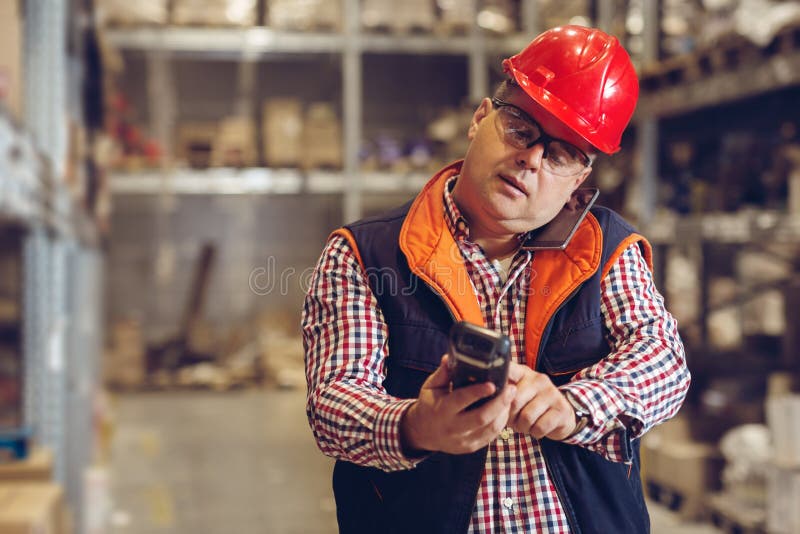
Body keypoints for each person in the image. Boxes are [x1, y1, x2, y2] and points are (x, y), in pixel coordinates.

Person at [302, 25, 690, 534]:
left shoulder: (606, 249)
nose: (532, 159)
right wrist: (415, 427)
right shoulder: (363, 255)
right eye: (521, 128)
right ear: (480, 118)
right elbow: (333, 404)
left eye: (562, 154)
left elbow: (663, 362)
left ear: (579, 178)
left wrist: (575, 406)